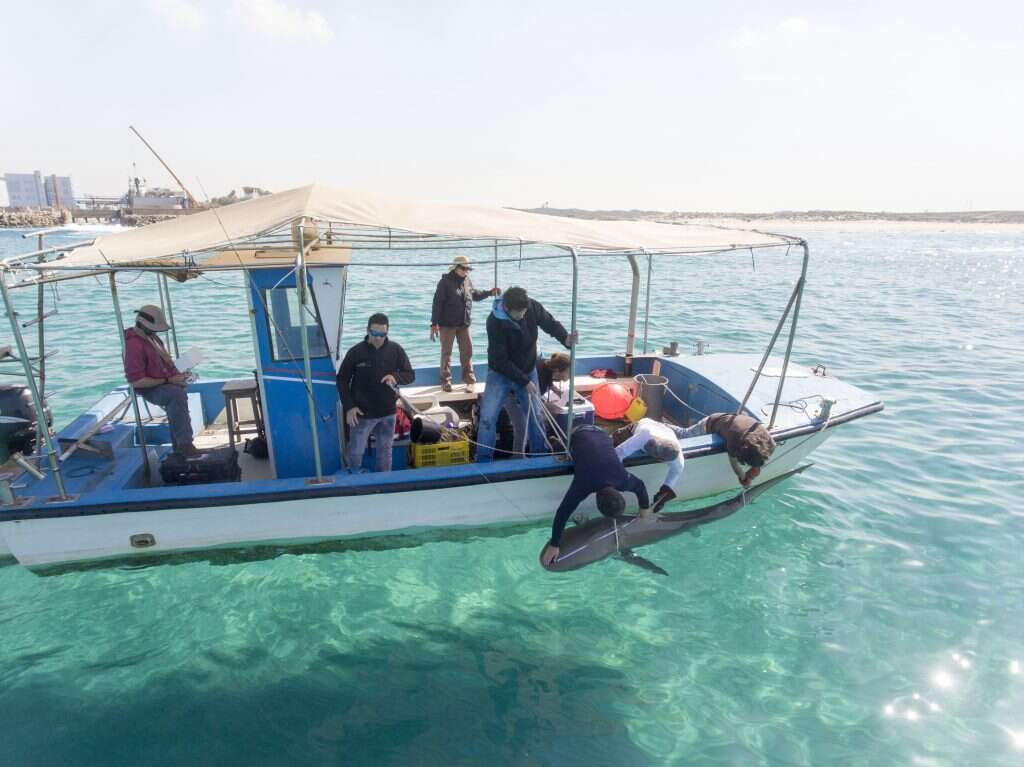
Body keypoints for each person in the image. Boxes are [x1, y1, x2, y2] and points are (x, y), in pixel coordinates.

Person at [476, 286, 577, 462]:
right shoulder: (494, 322)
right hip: (499, 373)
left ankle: (540, 455)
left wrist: (566, 339)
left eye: (524, 311)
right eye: (518, 313)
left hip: (528, 369)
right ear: (506, 308)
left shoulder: (531, 307)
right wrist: (524, 381)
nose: (522, 315)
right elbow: (499, 360)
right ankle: (483, 459)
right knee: (488, 416)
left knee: (536, 416)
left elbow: (550, 324)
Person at [540, 425, 650, 566]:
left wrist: (644, 511)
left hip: (602, 433)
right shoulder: (584, 484)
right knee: (559, 450)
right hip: (577, 432)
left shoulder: (621, 479)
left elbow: (640, 486)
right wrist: (554, 545)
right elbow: (562, 513)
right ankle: (557, 443)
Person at [336, 313, 415, 472]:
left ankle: (384, 481)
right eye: (375, 333)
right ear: (367, 330)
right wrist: (350, 407)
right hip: (362, 414)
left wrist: (395, 377)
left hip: (388, 412)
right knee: (356, 451)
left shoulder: (396, 350)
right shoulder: (356, 352)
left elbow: (410, 375)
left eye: (382, 334)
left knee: (385, 452)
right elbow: (342, 380)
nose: (378, 338)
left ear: (387, 332)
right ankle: (354, 477)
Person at [123, 304, 198, 458]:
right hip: (151, 387)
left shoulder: (153, 338)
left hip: (165, 377)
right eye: (153, 329)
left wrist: (180, 371)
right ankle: (185, 445)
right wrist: (169, 380)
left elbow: (166, 365)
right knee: (176, 395)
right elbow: (137, 382)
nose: (155, 332)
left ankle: (180, 447)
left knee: (194, 361)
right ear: (142, 325)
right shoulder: (133, 346)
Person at [430, 255, 500, 393]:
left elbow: (474, 295)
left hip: (464, 324)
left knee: (467, 352)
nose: (466, 270)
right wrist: (434, 324)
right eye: (463, 268)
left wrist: (490, 293)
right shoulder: (444, 282)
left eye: (468, 268)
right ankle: (446, 381)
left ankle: (469, 381)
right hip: (447, 324)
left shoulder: (467, 280)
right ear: (455, 268)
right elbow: (437, 304)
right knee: (446, 353)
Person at [676, 412, 776, 486]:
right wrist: (743, 477)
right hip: (710, 424)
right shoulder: (735, 440)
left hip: (730, 420)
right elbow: (735, 465)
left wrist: (756, 467)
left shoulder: (770, 443)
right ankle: (661, 427)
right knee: (683, 434)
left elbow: (767, 450)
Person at [505, 352, 572, 455]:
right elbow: (533, 399)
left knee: (539, 422)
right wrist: (550, 406)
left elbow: (548, 381)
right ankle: (517, 456)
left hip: (528, 396)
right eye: (568, 373)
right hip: (513, 397)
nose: (569, 376)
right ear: (558, 370)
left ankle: (538, 450)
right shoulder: (539, 373)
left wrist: (556, 390)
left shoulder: (547, 367)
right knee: (522, 429)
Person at [613, 417, 685, 513]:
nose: (651, 447)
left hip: (665, 430)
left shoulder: (677, 458)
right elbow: (617, 453)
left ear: (662, 459)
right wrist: (618, 479)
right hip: (641, 426)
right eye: (653, 447)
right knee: (613, 439)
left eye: (655, 453)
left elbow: (676, 471)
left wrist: (666, 489)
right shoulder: (644, 436)